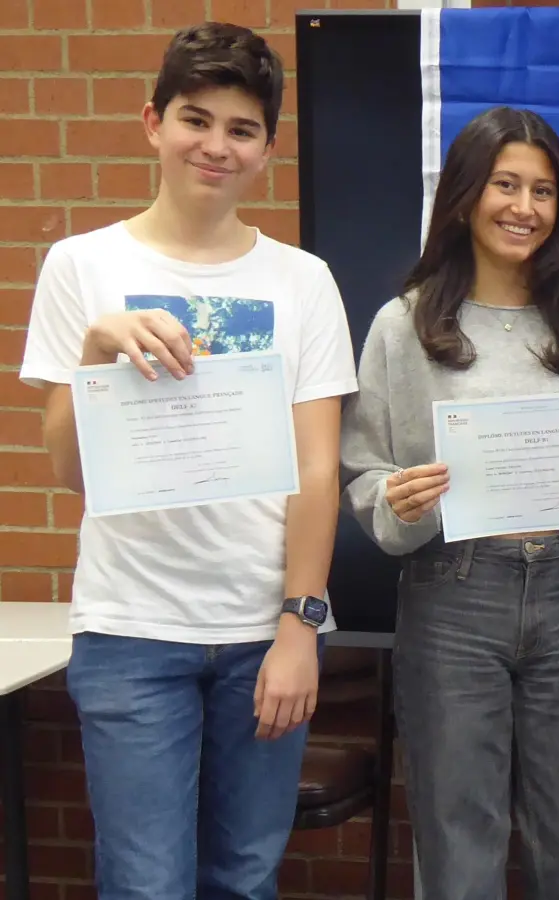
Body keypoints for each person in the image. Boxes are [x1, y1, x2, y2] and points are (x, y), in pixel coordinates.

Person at [18, 22, 353, 900]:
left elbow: (318, 471)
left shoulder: (303, 282)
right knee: (145, 884)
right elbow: (70, 473)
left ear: (268, 150)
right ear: (153, 123)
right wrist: (95, 354)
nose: (216, 146)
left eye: (242, 129)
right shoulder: (82, 266)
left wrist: (300, 625)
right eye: (195, 120)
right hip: (131, 630)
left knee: (245, 878)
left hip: (263, 632)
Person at [339, 105, 559, 900]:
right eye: (505, 185)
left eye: (544, 191)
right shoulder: (404, 326)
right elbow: (364, 475)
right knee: (459, 855)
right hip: (451, 595)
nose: (525, 207)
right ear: (464, 197)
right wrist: (395, 500)